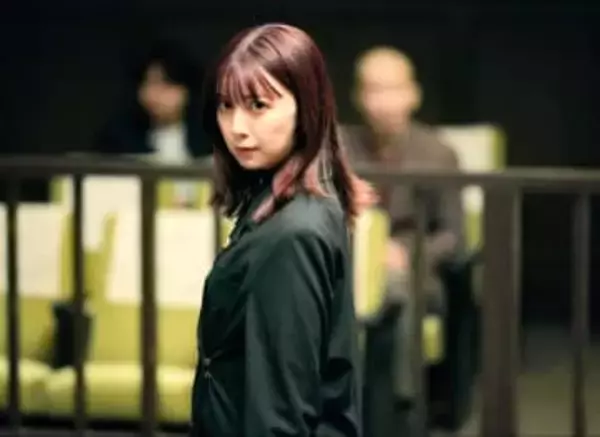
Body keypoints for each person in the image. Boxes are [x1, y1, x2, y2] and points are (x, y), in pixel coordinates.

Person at [190, 23, 372, 437]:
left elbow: (280, 412)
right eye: (225, 106)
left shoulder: (293, 233)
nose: (237, 127)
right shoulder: (290, 204)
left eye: (258, 105)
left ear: (306, 108)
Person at [341, 46, 463, 405]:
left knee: (395, 288)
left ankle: (399, 406)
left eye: (394, 89)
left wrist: (406, 253)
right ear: (358, 97)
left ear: (414, 94)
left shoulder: (438, 153)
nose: (384, 102)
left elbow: (454, 236)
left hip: (415, 274)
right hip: (347, 266)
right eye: (373, 90)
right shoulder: (338, 146)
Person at [95, 39, 212, 205]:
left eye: (165, 85)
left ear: (186, 90)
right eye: (147, 83)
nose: (153, 93)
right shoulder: (119, 136)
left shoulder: (209, 135)